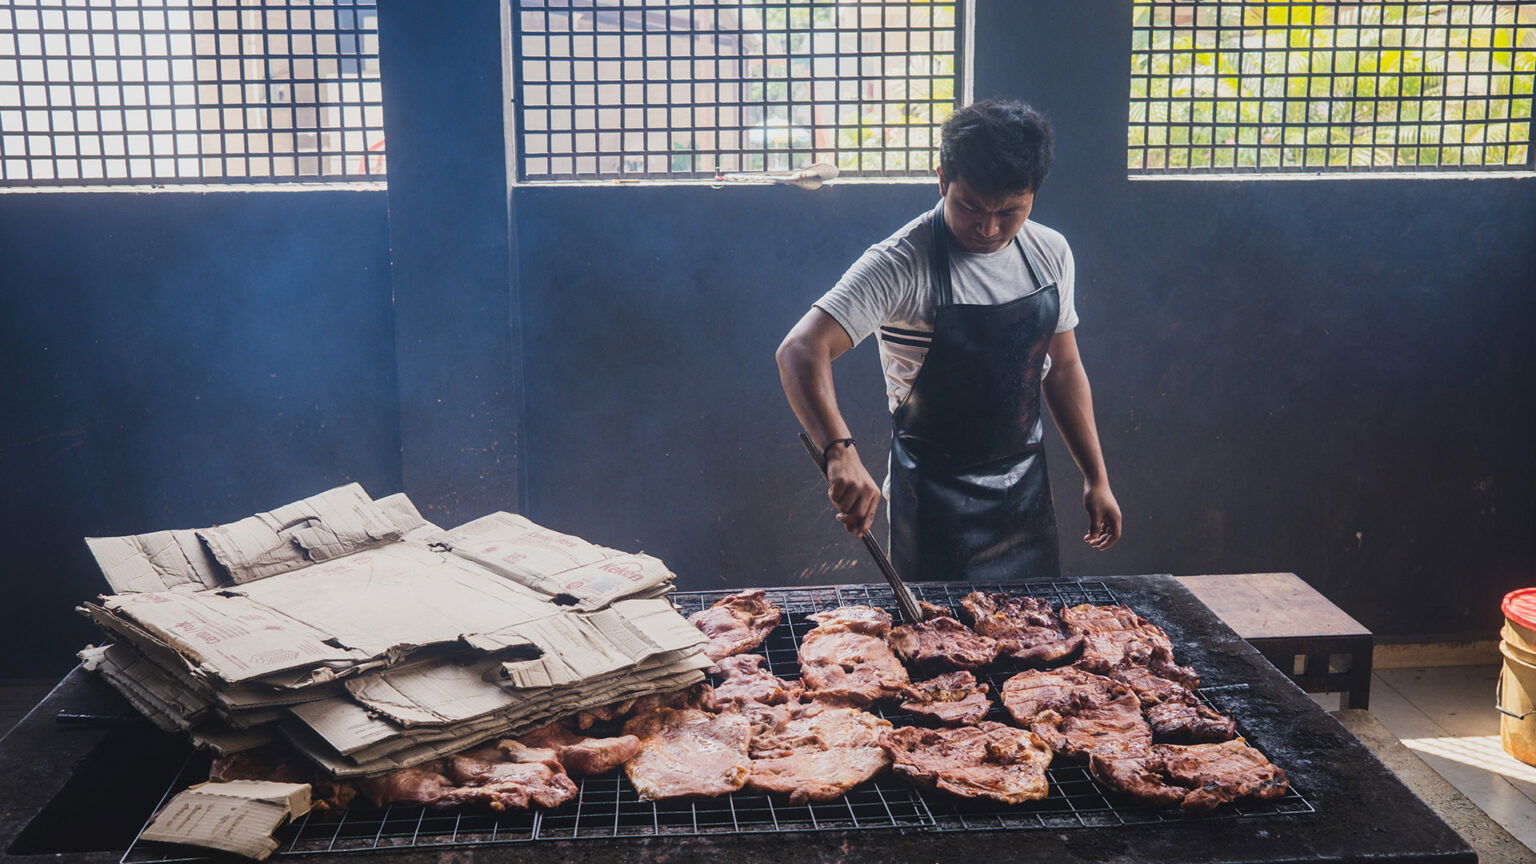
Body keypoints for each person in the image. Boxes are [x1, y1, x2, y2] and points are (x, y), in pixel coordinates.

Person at [775, 99, 1122, 583]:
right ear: (942, 180)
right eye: (971, 207)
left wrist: (1096, 476)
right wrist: (839, 450)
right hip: (933, 502)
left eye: (1009, 211)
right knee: (945, 649)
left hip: (1024, 497)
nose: (988, 227)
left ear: (1033, 195)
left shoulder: (1049, 252)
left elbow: (1061, 369)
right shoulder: (901, 261)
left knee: (1037, 641)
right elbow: (799, 350)